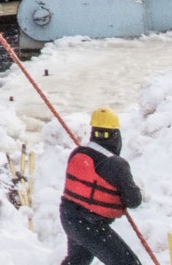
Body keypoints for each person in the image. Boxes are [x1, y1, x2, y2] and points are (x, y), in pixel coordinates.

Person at [60, 107, 143, 265]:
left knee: (77, 261)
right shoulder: (117, 165)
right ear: (116, 135)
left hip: (69, 218)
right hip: (90, 224)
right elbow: (134, 201)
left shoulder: (78, 153)